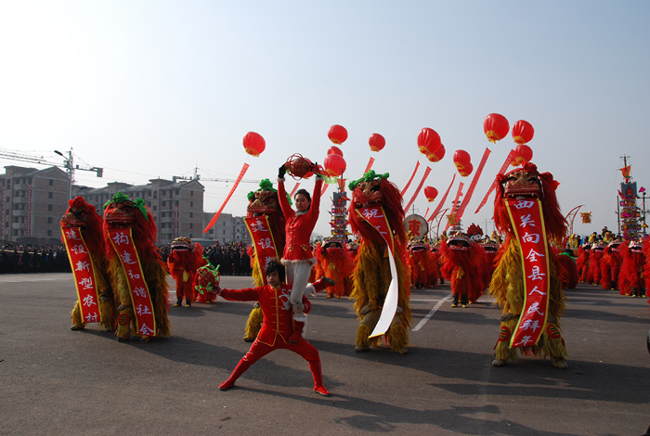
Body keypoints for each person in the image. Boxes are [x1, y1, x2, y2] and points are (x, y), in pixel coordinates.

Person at [215, 261, 331, 396]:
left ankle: (318, 385)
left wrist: (303, 307)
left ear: (280, 276)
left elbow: (306, 304)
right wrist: (219, 290)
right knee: (248, 358)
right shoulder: (261, 291)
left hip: (290, 337)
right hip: (266, 337)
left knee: (313, 354)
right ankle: (231, 380)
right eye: (269, 275)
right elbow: (238, 294)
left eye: (274, 275)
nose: (271, 278)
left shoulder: (291, 290)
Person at [277, 163, 333, 343]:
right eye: (297, 200)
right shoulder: (290, 216)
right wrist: (280, 179)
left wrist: (318, 179)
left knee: (294, 299)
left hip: (302, 261)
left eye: (302, 199)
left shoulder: (311, 216)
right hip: (288, 261)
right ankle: (317, 286)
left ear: (308, 202)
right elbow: (282, 200)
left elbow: (317, 199)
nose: (299, 202)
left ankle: (299, 333)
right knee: (290, 295)